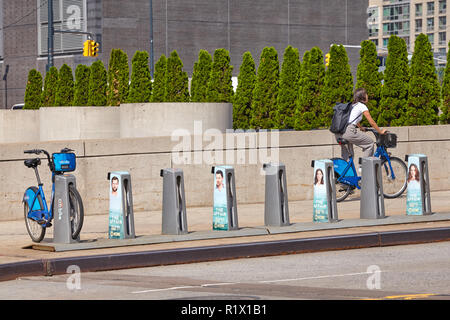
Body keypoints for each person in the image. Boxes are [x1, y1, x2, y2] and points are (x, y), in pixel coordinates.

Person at [335, 88, 386, 162]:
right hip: (348, 131)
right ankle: (363, 167)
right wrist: (380, 131)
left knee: (348, 158)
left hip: (339, 131)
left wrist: (361, 127)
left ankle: (346, 172)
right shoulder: (362, 106)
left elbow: (353, 119)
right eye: (366, 94)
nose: (367, 96)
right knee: (370, 143)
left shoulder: (352, 105)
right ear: (363, 96)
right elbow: (372, 122)